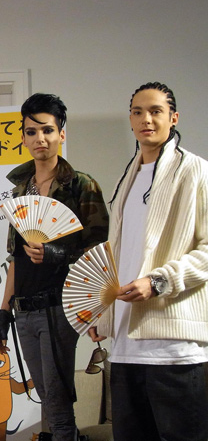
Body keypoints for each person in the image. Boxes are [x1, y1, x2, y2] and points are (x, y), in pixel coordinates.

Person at [89, 82, 208, 441]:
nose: (146, 119)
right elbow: (121, 254)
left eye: (156, 111)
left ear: (173, 118)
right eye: (138, 112)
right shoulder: (127, 178)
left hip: (174, 349)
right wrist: (104, 313)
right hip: (125, 348)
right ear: (130, 120)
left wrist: (158, 282)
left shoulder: (196, 171)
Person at [0, 94, 109, 441]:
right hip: (23, 310)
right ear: (23, 137)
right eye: (31, 132)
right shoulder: (19, 192)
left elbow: (101, 252)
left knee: (57, 402)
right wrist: (3, 314)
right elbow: (15, 258)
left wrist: (58, 254)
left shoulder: (81, 185)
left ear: (61, 134)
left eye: (47, 130)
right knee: (46, 397)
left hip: (59, 307)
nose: (39, 139)